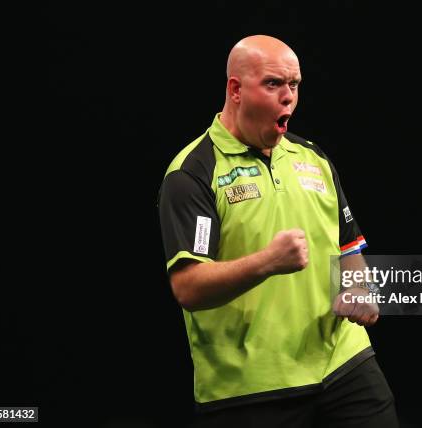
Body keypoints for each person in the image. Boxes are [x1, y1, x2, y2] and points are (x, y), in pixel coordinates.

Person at [158, 35, 398, 427]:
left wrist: (357, 287)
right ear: (235, 90)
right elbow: (189, 286)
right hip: (252, 388)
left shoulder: (314, 160)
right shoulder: (193, 173)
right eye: (273, 84)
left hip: (344, 366)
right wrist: (268, 262)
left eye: (295, 85)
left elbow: (349, 248)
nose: (288, 97)